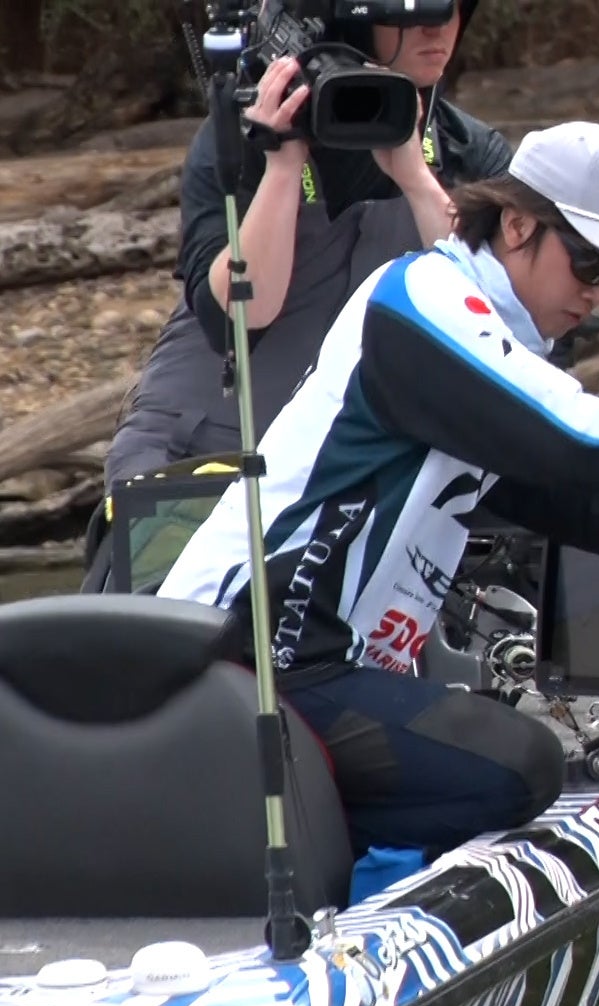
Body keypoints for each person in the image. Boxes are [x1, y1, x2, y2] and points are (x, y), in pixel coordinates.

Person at [158, 121, 599, 860]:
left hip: (320, 674)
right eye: (589, 262)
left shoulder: (490, 356)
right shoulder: (421, 300)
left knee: (513, 757)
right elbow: (576, 438)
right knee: (522, 765)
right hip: (250, 657)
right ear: (516, 225)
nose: (596, 294)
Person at [85, 0, 505, 588]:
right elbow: (239, 314)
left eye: (450, 5)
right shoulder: (240, 134)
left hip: (353, 466)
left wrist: (415, 178)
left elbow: (496, 322)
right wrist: (281, 169)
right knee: (184, 634)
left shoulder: (466, 149)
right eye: (407, 8)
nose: (437, 25)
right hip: (207, 454)